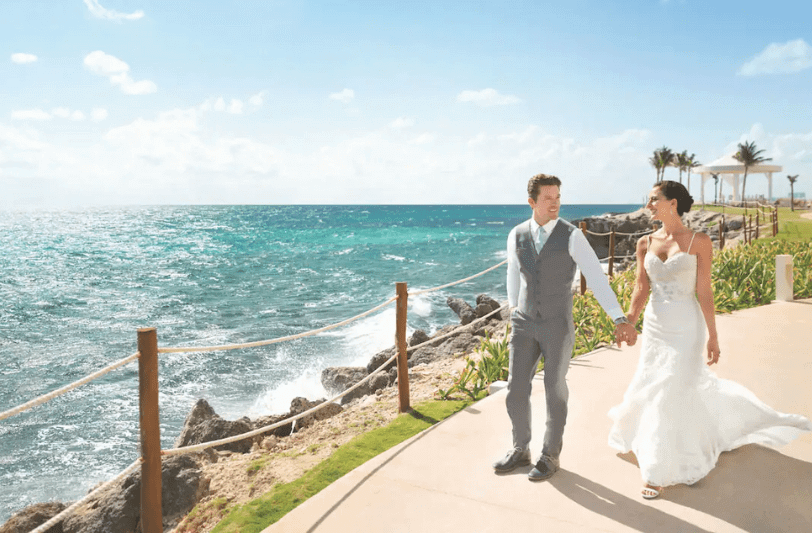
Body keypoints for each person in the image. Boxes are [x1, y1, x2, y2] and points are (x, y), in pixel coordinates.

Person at [608, 180, 812, 499]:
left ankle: (659, 470)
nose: (648, 205)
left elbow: (704, 290)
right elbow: (640, 288)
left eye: (653, 200)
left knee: (672, 387)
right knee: (654, 383)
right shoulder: (644, 243)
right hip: (656, 325)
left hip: (687, 326)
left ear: (672, 203)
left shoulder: (699, 241)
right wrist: (629, 321)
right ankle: (664, 445)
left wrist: (713, 336)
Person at [494, 173, 639, 481]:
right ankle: (521, 449)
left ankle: (550, 455)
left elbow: (597, 279)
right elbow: (512, 273)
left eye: (558, 197)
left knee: (554, 389)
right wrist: (513, 308)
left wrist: (618, 317)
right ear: (532, 202)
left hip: (557, 325)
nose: (555, 203)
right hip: (523, 324)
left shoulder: (572, 235)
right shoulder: (516, 234)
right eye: (548, 198)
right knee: (515, 390)